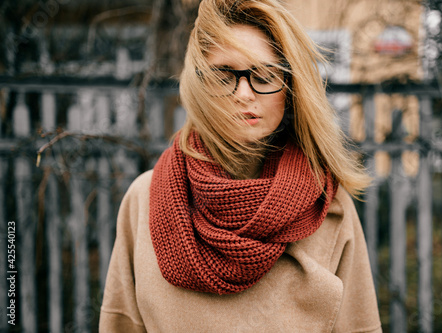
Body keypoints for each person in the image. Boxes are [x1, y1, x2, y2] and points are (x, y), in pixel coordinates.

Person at [99, 0, 382, 332]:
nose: (244, 93)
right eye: (224, 75)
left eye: (263, 75)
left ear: (290, 89)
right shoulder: (145, 199)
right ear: (200, 85)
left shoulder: (328, 207)